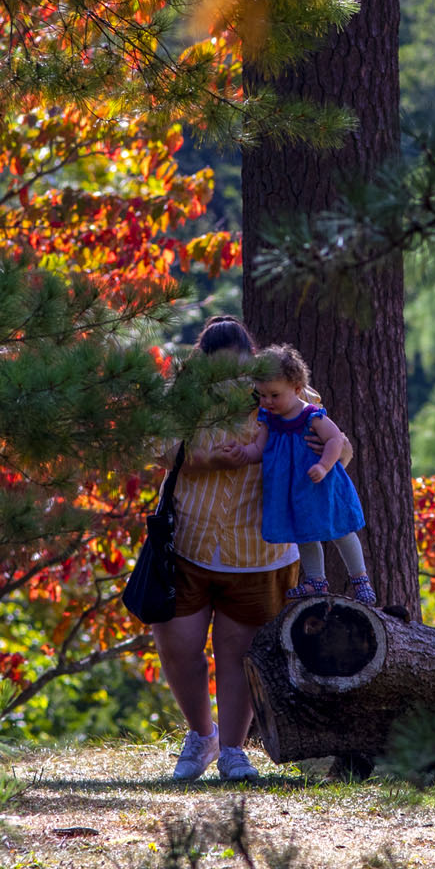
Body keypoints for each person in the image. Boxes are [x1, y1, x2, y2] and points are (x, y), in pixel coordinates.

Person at [153, 315, 351, 782]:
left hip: (260, 550)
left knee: (235, 653)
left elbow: (341, 449)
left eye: (239, 372)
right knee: (178, 646)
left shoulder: (287, 395)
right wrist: (203, 460)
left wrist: (318, 458)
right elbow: (156, 444)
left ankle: (233, 751)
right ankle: (200, 736)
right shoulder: (183, 396)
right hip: (187, 542)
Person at [248, 345, 372, 607]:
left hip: (322, 484)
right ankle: (316, 580)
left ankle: (360, 579)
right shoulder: (269, 419)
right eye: (262, 395)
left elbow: (335, 440)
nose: (268, 401)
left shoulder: (310, 416)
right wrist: (242, 452)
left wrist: (325, 466)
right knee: (304, 533)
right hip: (294, 488)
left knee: (341, 530)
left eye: (274, 395)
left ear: (296, 388)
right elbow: (259, 448)